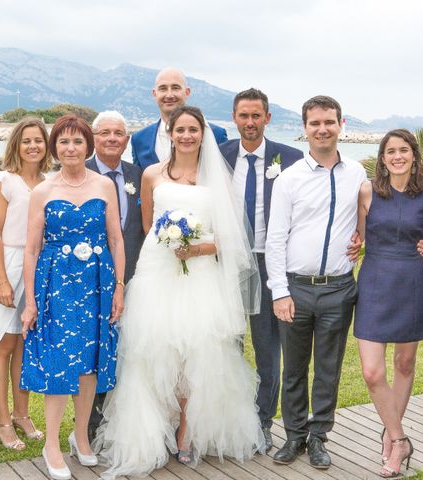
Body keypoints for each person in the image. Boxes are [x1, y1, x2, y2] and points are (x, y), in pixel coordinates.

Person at [95, 106, 264, 478]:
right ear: (169, 133)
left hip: (199, 275)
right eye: (180, 129)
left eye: (194, 129)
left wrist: (195, 249)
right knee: (151, 352)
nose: (187, 135)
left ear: (203, 134)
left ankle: (187, 433)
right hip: (158, 271)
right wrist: (171, 246)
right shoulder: (152, 174)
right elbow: (148, 223)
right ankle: (150, 435)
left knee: (195, 356)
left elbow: (228, 238)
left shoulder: (217, 178)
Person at [19, 114, 124, 480]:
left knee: (91, 362)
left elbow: (116, 240)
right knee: (60, 360)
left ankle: (81, 436)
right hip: (57, 284)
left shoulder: (105, 185)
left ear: (87, 145)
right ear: (55, 148)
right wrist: (31, 300)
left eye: (77, 141)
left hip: (97, 282)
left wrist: (119, 288)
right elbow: (31, 250)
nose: (70, 148)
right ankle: (51, 444)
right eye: (63, 142)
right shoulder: (43, 191)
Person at [265, 96, 366, 469]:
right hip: (296, 287)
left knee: (328, 368)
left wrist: (361, 237)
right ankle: (293, 435)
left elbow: (367, 217)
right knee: (293, 368)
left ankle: (319, 435)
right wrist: (280, 292)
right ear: (304, 128)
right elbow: (275, 238)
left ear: (341, 124)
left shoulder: (357, 173)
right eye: (314, 123)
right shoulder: (289, 178)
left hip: (339, 288)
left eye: (329, 121)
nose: (322, 129)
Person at [354, 129, 423, 478]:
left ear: (414, 155)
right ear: (382, 157)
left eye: (403, 150)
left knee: (404, 364)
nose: (397, 156)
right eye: (390, 151)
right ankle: (399, 437)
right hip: (374, 282)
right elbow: (357, 236)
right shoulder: (367, 190)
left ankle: (393, 443)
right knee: (372, 372)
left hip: (412, 284)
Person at [219, 88, 303, 451]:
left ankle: (263, 421)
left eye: (257, 115)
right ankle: (228, 421)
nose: (250, 122)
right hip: (228, 263)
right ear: (234, 118)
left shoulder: (292, 158)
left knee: (268, 348)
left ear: (267, 118)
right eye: (244, 116)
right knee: (227, 346)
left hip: (272, 264)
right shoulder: (218, 157)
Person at [0, 117, 52, 450]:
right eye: (26, 140)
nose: (33, 146)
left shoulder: (50, 182)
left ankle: (22, 414)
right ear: (16, 145)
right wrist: (1, 280)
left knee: (26, 342)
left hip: (38, 267)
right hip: (8, 265)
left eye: (38, 140)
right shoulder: (2, 180)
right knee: (4, 343)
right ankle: (1, 420)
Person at [85, 110, 145, 442]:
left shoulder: (140, 174)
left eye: (118, 133)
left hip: (135, 275)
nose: (111, 138)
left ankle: (124, 418)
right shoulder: (80, 172)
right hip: (90, 276)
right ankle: (93, 421)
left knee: (130, 347)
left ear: (126, 139)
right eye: (105, 132)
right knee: (96, 348)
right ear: (94, 138)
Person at [131, 67, 228, 170]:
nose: (169, 95)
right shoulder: (139, 139)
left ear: (187, 92)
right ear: (155, 94)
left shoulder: (216, 135)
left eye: (175, 88)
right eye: (163, 88)